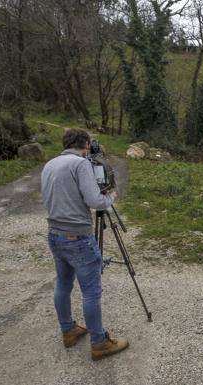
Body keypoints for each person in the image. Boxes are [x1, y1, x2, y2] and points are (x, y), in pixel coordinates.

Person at [41, 128, 129, 361]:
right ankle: (99, 343)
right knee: (91, 291)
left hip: (55, 234)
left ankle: (68, 330)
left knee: (63, 284)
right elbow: (96, 201)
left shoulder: (50, 164)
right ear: (86, 145)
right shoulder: (80, 165)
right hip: (77, 236)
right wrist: (111, 196)